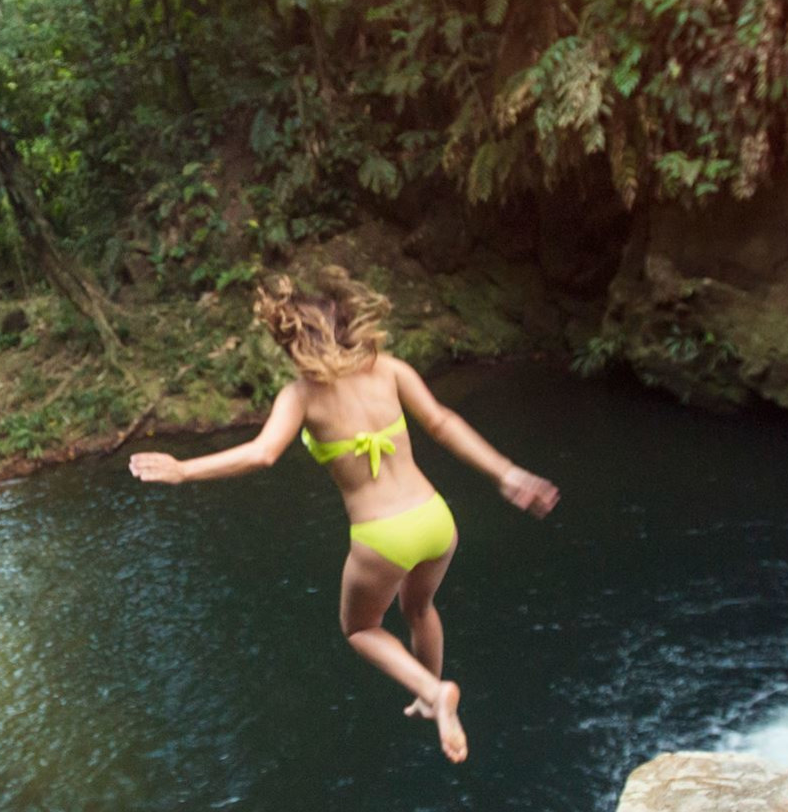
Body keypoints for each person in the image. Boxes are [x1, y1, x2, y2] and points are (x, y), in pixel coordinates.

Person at [128, 269, 559, 763]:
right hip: (436, 520)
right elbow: (442, 423)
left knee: (360, 629)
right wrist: (506, 473)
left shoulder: (300, 397)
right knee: (419, 608)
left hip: (382, 537)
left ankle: (435, 694)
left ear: (294, 343)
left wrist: (184, 469)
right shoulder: (389, 368)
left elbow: (262, 454)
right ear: (347, 324)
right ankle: (427, 693)